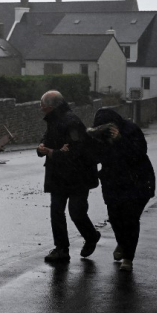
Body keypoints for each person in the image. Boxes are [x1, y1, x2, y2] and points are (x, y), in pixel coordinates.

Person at [87, 108, 156, 272]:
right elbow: (95, 157)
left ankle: (128, 258)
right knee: (115, 218)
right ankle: (123, 243)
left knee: (130, 220)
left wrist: (120, 139)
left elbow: (138, 153)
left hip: (137, 182)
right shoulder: (100, 136)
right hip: (112, 183)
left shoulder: (131, 130)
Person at [37, 90, 101, 262]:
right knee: (56, 212)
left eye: (43, 106)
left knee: (76, 212)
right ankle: (61, 249)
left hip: (79, 176)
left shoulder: (72, 122)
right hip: (58, 176)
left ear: (51, 107)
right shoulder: (53, 120)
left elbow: (75, 152)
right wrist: (42, 148)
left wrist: (51, 152)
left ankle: (91, 236)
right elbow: (48, 139)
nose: (41, 110)